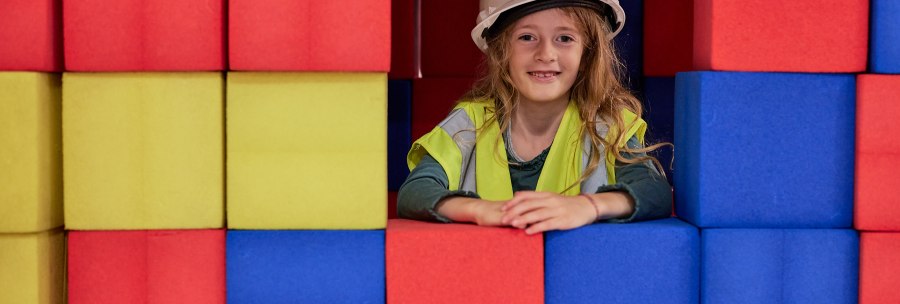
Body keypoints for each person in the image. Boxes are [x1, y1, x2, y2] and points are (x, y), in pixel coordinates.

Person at [398, 0, 672, 235]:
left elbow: (654, 192)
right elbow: (415, 192)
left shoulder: (609, 126)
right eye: (527, 37)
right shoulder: (469, 123)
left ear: (587, 55)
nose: (545, 54)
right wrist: (479, 210)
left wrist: (588, 206)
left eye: (565, 38)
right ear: (501, 51)